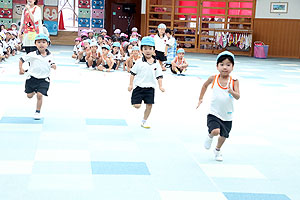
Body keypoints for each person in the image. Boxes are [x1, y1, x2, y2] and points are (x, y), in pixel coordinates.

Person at [196, 51, 240, 161]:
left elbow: (238, 96)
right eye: (222, 64)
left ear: (233, 67)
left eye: (228, 65)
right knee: (216, 131)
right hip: (214, 112)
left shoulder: (234, 81)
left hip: (227, 114)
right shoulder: (213, 78)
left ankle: (217, 150)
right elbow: (205, 85)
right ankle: (210, 135)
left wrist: (231, 91)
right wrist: (200, 98)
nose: (225, 67)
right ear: (217, 66)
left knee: (223, 136)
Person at [128, 36, 165, 129]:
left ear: (154, 50)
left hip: (150, 88)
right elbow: (132, 73)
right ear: (141, 50)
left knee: (149, 105)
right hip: (139, 87)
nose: (147, 51)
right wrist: (130, 84)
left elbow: (159, 76)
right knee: (137, 106)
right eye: (145, 49)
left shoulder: (156, 63)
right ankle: (134, 101)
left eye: (150, 49)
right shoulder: (139, 62)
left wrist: (161, 86)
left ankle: (144, 121)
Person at [19, 33, 56, 119]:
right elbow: (21, 60)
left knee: (40, 95)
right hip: (32, 78)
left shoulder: (50, 55)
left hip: (44, 79)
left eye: (43, 42)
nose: (41, 44)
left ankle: (37, 111)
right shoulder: (32, 54)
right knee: (29, 96)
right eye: (39, 42)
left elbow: (51, 62)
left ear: (48, 44)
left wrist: (53, 65)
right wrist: (21, 69)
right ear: (35, 44)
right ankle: (34, 91)